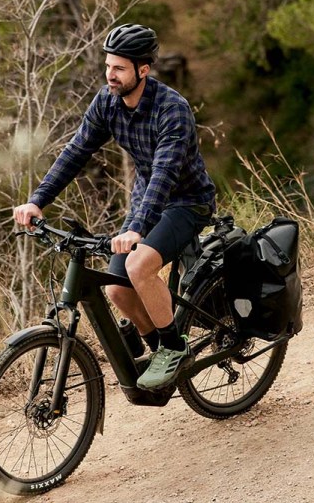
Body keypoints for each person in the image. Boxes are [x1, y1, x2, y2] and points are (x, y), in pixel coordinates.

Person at [13, 23, 216, 390]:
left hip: (187, 202)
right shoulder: (107, 102)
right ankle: (158, 347)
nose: (110, 75)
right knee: (117, 289)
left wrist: (136, 228)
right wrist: (37, 200)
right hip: (146, 203)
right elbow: (76, 152)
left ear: (143, 69)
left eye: (119, 68)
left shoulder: (173, 110)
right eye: (108, 66)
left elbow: (163, 175)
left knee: (139, 266)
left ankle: (174, 347)